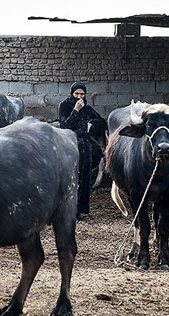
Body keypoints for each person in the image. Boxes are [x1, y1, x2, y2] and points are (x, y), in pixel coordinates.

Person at [58, 82, 104, 221]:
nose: (79, 97)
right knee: (70, 177)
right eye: (76, 94)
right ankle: (67, 210)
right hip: (69, 144)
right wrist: (76, 111)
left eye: (82, 94)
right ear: (72, 93)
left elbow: (101, 121)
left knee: (85, 178)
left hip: (85, 145)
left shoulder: (87, 107)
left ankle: (82, 211)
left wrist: (92, 125)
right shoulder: (64, 106)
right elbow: (64, 124)